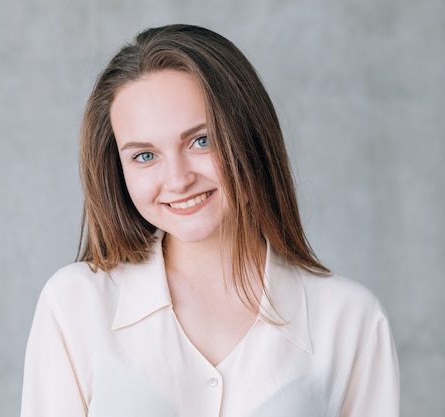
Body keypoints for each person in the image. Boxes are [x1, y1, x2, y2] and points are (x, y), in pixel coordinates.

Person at [20, 24, 399, 417]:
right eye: (144, 155)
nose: (178, 179)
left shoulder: (351, 318)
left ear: (250, 137)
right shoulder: (74, 305)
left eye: (202, 141)